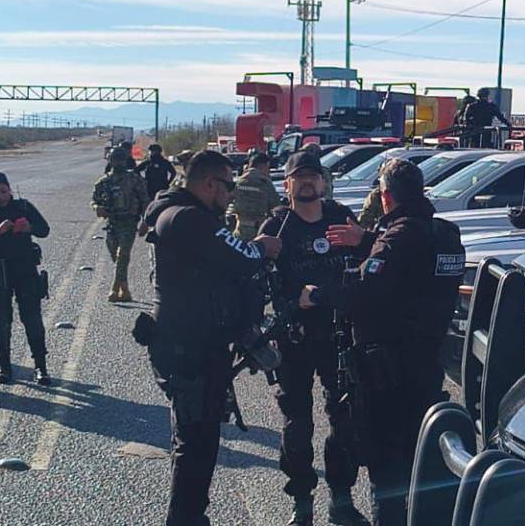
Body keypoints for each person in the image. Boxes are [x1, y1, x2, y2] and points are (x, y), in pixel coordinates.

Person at [301, 158, 465, 526]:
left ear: (386, 197)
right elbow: (412, 265)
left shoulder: (399, 237)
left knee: (386, 467)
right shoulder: (445, 234)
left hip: (388, 371)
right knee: (420, 458)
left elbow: (365, 289)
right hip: (428, 363)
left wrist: (317, 295)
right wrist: (366, 241)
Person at [142, 150, 282, 526]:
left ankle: (190, 516)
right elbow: (242, 255)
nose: (231, 194)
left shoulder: (181, 214)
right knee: (195, 445)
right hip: (188, 349)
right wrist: (263, 246)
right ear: (209, 183)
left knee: (199, 442)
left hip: (193, 344)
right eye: (228, 185)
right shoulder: (188, 218)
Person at [258, 152, 365, 526]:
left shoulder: (340, 218)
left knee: (345, 420)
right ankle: (302, 503)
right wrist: (291, 301)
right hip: (295, 338)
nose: (306, 183)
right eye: (299, 177)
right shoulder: (277, 226)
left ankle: (341, 499)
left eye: (313, 177)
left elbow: (370, 260)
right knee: (297, 425)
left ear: (323, 182)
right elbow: (256, 278)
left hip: (339, 336)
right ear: (287, 184)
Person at [0, 172, 51, 385]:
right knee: (1, 321)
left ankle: (41, 367)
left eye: (3, 191)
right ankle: (4, 367)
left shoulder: (24, 207)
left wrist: (30, 227)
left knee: (32, 318)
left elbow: (44, 230)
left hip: (24, 269)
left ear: (9, 189)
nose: (1, 197)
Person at [92, 147, 149, 302]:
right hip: (112, 224)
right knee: (116, 257)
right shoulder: (104, 182)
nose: (118, 163)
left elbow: (145, 200)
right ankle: (125, 289)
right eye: (115, 160)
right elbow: (94, 200)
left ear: (125, 161)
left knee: (122, 255)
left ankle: (114, 289)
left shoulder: (134, 179)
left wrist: (145, 221)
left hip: (129, 223)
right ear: (110, 161)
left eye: (121, 160)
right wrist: (97, 208)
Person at [230, 152, 280, 242]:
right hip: (258, 232)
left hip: (239, 231)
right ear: (264, 166)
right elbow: (276, 207)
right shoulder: (265, 183)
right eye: (268, 168)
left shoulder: (238, 182)